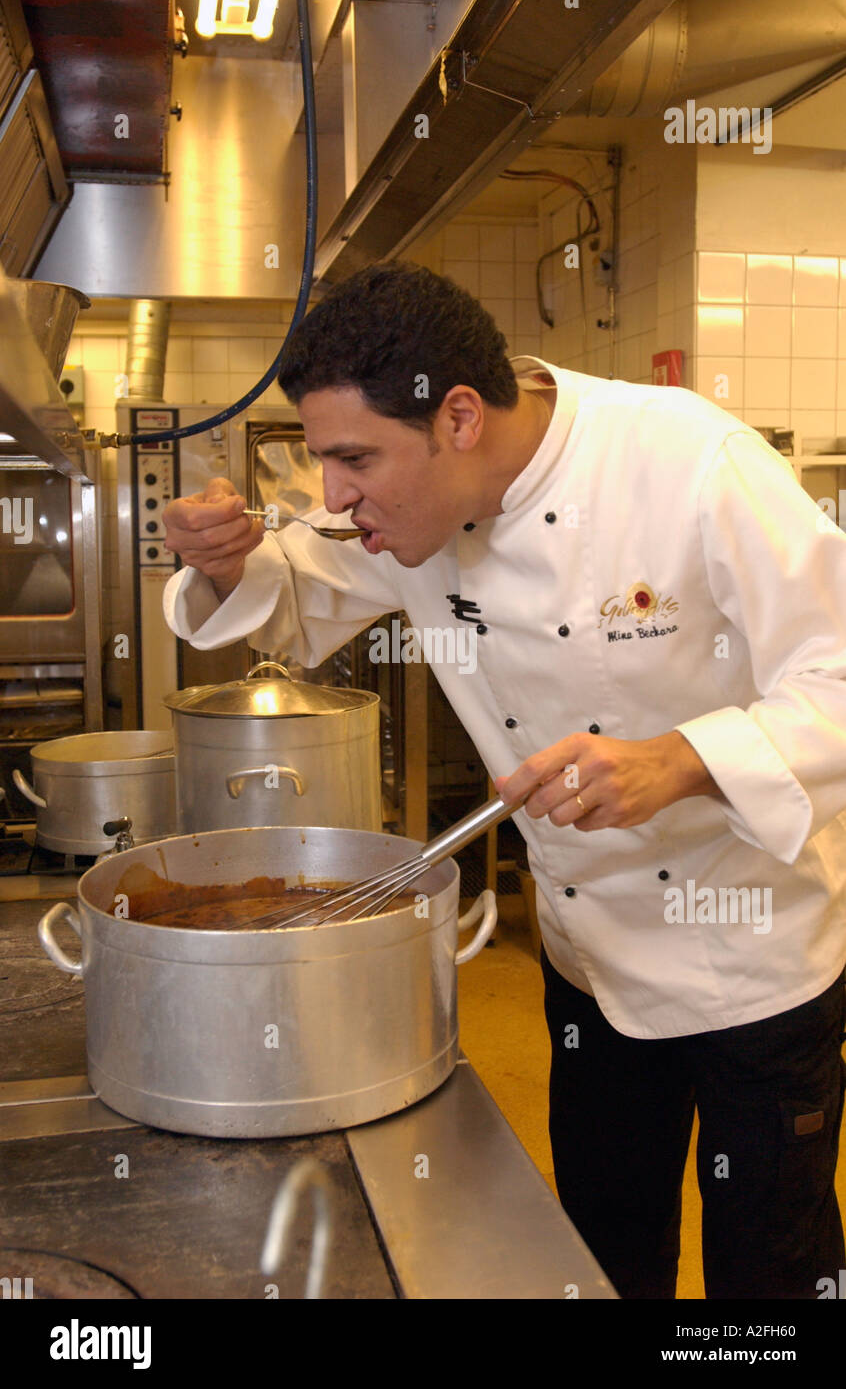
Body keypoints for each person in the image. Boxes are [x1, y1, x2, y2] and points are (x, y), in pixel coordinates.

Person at [162, 261, 846, 1300]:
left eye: (354, 459)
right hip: (587, 962)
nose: (333, 496)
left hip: (751, 956)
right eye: (323, 461)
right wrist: (223, 561)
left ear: (462, 418)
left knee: (771, 1271)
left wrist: (682, 759)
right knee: (602, 1248)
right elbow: (292, 593)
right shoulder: (401, 511)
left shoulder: (689, 463)